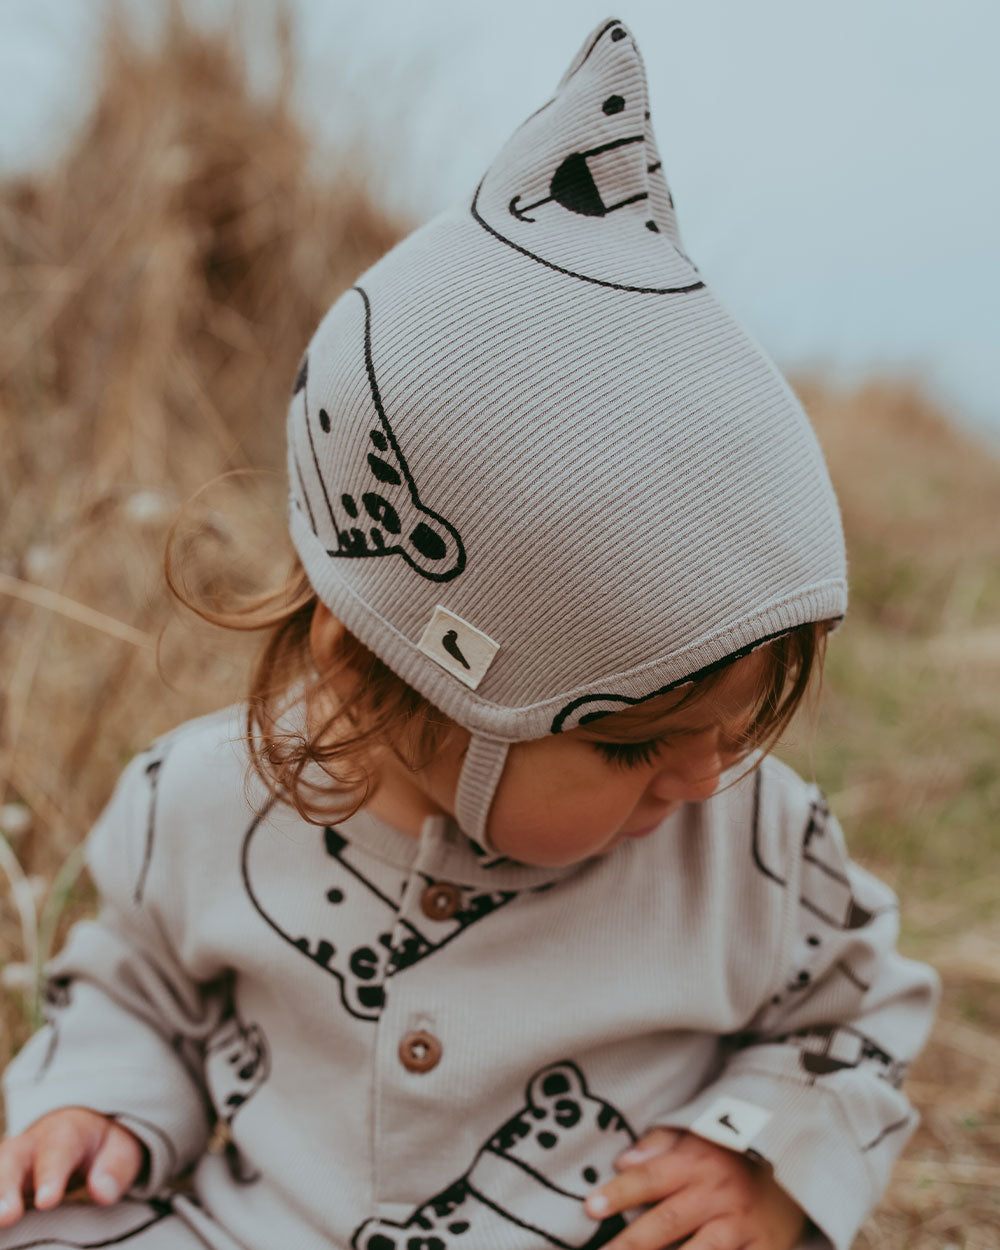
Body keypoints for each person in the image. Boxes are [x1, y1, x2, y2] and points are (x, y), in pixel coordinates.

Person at [0, 17, 937, 1250]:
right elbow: (133, 988)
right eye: (635, 742)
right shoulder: (198, 805)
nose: (705, 774)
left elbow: (853, 1019)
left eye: (736, 724)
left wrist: (761, 1161)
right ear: (390, 673)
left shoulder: (749, 848)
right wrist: (92, 1101)